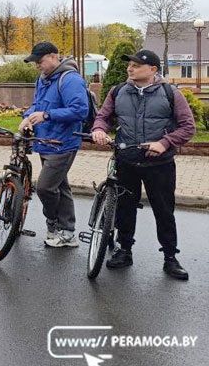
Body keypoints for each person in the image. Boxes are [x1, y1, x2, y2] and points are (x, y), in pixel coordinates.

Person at [91, 49, 195, 280]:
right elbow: (103, 117)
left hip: (159, 164)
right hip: (126, 160)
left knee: (163, 210)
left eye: (136, 65)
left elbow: (188, 127)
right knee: (125, 209)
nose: (130, 68)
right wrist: (99, 129)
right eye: (130, 65)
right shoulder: (118, 91)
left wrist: (164, 142)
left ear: (153, 70)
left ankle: (170, 257)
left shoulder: (170, 93)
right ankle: (124, 250)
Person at [20, 41, 91, 248]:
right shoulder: (43, 79)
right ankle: (67, 231)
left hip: (63, 142)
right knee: (60, 185)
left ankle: (54, 223)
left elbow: (79, 110)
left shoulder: (70, 80)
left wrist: (47, 115)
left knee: (45, 187)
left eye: (39, 61)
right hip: (45, 141)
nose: (37, 66)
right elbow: (37, 104)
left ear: (53, 56)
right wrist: (28, 117)